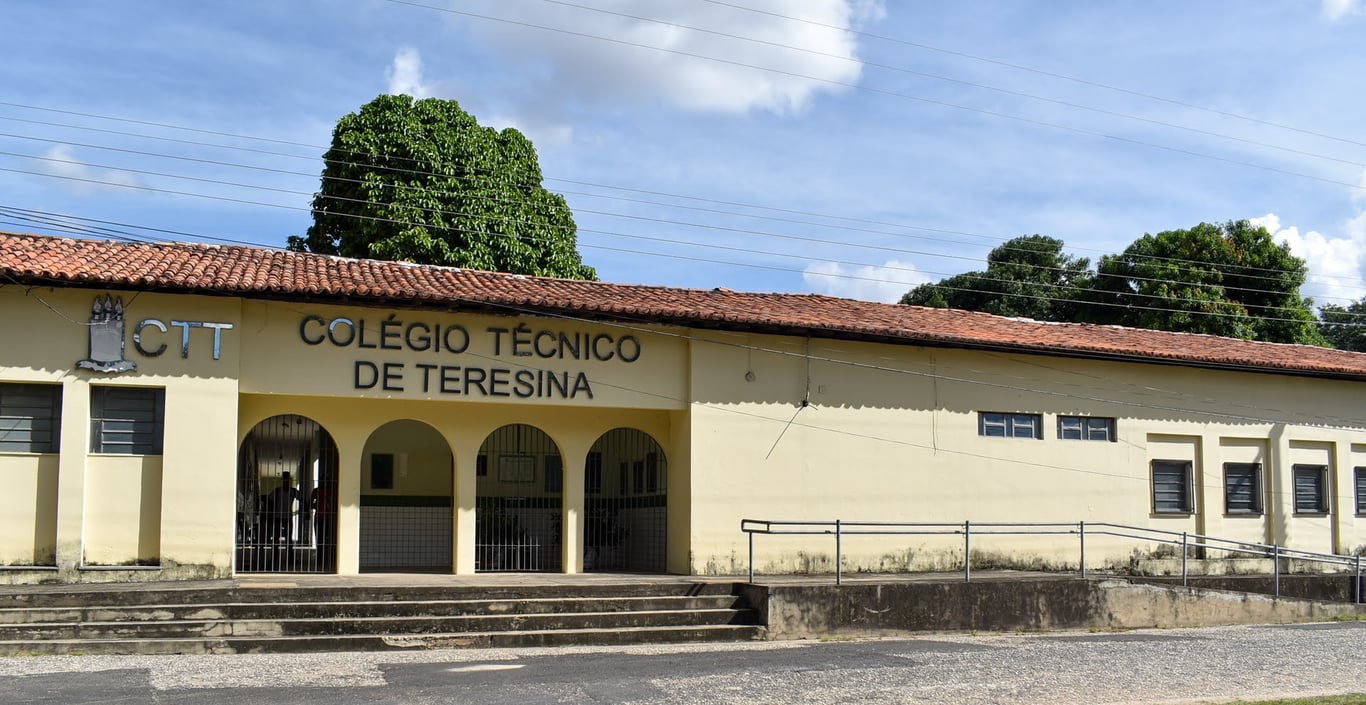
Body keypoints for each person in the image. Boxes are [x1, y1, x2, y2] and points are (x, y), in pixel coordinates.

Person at [263, 472, 300, 544]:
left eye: (286, 479)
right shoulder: (278, 491)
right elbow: (268, 500)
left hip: (285, 517)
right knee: (278, 537)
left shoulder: (292, 491)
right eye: (285, 479)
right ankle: (279, 551)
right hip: (279, 517)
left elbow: (268, 500)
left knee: (286, 538)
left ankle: (283, 550)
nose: (286, 481)